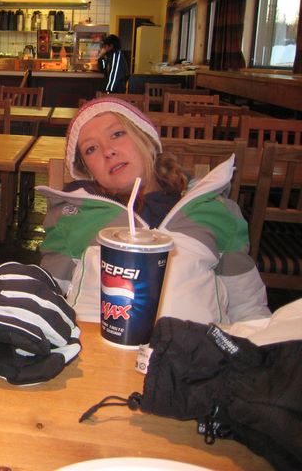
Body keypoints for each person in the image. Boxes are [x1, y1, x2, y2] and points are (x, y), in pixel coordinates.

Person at [36, 97, 270, 325]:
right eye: (91, 149)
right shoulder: (75, 218)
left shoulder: (212, 210)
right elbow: (44, 299)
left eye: (117, 134)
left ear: (146, 139)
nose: (107, 151)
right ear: (88, 171)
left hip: (195, 347)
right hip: (99, 348)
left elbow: (248, 308)